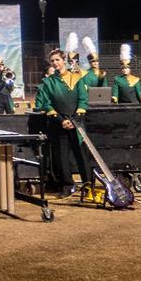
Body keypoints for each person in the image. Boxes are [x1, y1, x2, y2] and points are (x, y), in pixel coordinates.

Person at [34, 47, 89, 196]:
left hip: (76, 123)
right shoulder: (48, 82)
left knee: (82, 156)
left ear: (63, 60)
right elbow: (46, 104)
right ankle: (67, 186)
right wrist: (61, 121)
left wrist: (75, 119)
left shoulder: (77, 78)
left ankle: (88, 185)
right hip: (59, 124)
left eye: (57, 60)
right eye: (52, 61)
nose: (55, 63)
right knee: (61, 157)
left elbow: (83, 99)